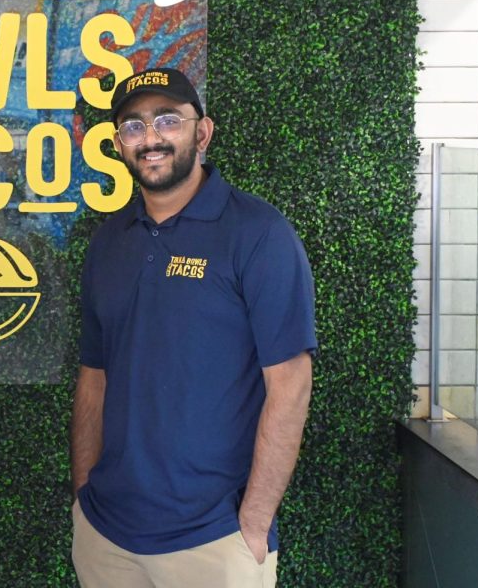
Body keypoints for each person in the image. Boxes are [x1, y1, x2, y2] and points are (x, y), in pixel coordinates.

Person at [71, 68, 316, 588]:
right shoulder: (109, 242)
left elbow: (290, 385)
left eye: (167, 121)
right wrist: (84, 492)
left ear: (202, 133)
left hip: (212, 539)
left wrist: (253, 521)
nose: (151, 138)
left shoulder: (258, 234)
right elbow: (95, 375)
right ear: (119, 145)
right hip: (108, 535)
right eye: (134, 126)